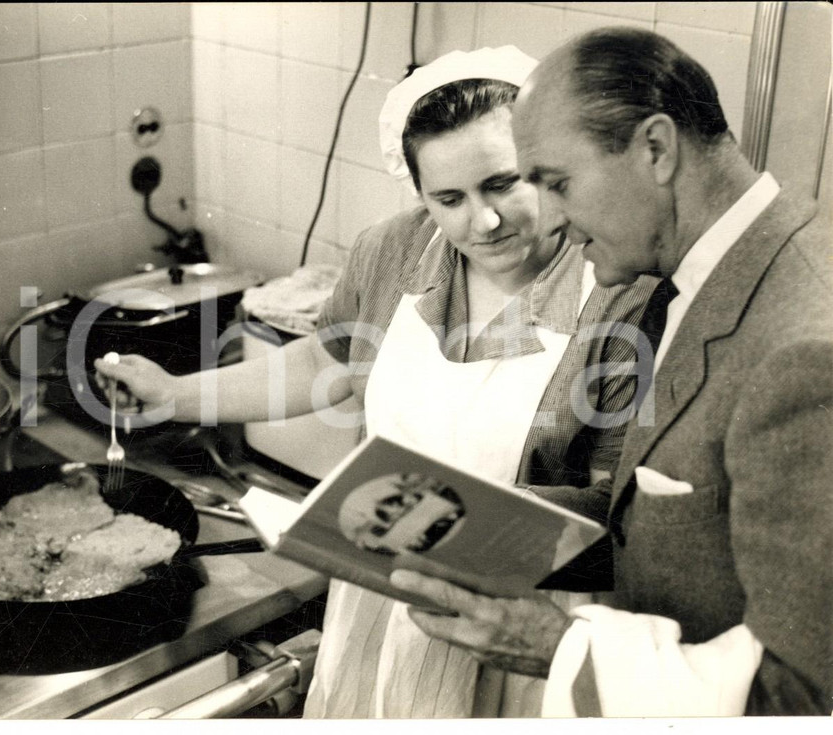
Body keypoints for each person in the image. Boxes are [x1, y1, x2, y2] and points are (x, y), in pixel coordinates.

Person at [95, 46, 654, 717]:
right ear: (419, 194)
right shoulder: (396, 248)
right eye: (449, 198)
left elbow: (621, 512)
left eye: (504, 183)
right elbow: (327, 362)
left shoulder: (617, 288)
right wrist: (176, 392)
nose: (484, 222)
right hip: (380, 599)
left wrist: (466, 534)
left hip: (519, 627)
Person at [389, 27, 833, 717]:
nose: (554, 220)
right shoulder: (711, 280)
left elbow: (806, 699)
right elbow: (660, 520)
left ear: (656, 149)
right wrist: (477, 520)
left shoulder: (805, 349)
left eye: (556, 184)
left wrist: (556, 646)